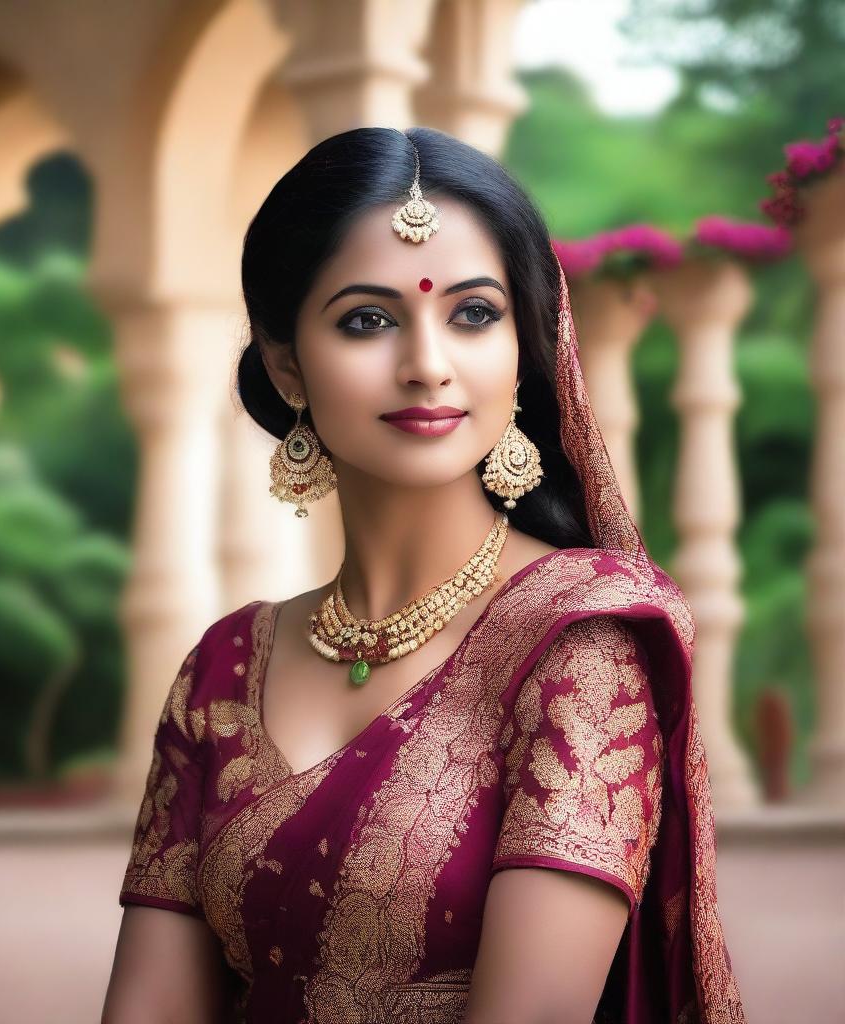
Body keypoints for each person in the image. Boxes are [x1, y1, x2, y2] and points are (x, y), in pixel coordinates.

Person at [101, 126, 747, 1024]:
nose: (428, 366)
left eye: (474, 314)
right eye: (367, 320)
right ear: (286, 360)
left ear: (527, 346)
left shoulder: (575, 648)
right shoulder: (223, 669)